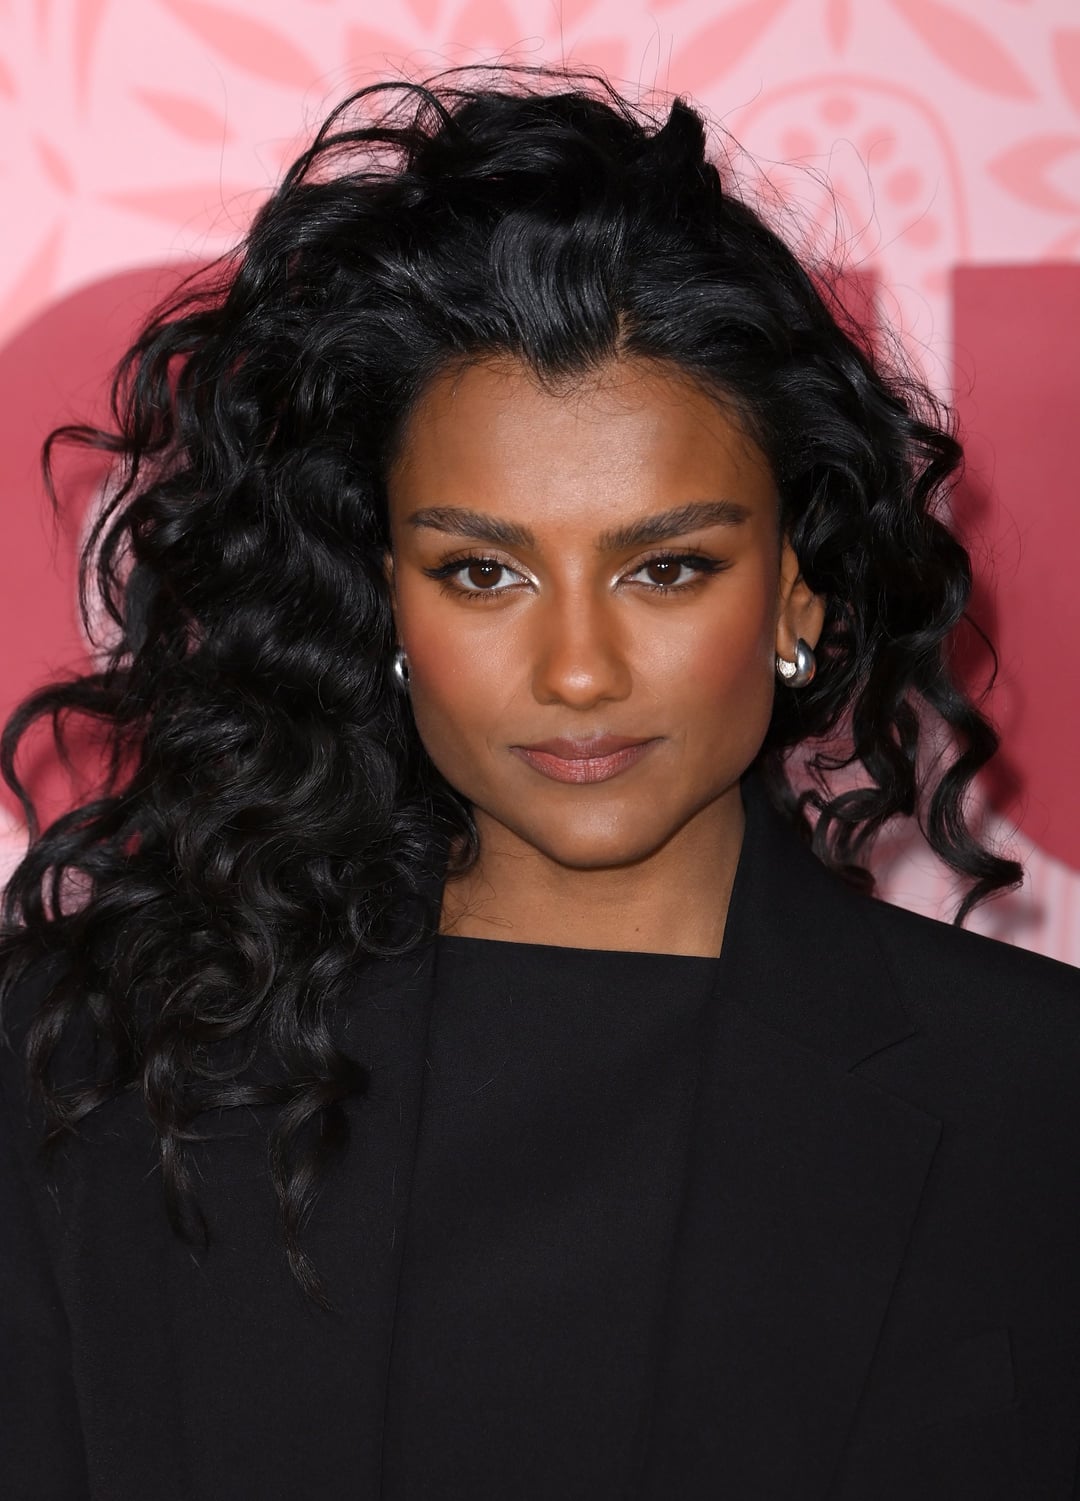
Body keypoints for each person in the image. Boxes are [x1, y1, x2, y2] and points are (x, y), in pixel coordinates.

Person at [1, 63, 1078, 1501]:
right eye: (483, 572)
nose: (578, 671)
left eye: (667, 567)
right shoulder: (82, 1067)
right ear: (386, 596)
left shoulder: (1040, 1101)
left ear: (795, 592)